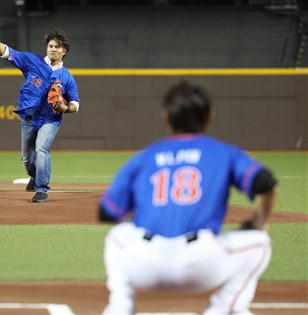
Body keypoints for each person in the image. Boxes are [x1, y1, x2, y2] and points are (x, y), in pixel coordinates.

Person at [98, 81, 278, 315]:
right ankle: (221, 310)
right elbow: (265, 183)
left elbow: (106, 212)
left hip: (144, 263)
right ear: (209, 117)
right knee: (260, 242)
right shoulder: (224, 153)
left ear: (166, 118)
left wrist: (142, 216)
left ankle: (120, 307)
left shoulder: (145, 157)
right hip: (201, 264)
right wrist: (258, 222)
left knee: (115, 238)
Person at [0, 27, 80, 203]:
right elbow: (6, 52)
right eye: (50, 45)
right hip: (29, 117)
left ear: (64, 51)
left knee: (41, 149)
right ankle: (35, 176)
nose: (53, 49)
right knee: (27, 160)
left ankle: (42, 190)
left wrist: (66, 108)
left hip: (50, 119)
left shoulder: (67, 77)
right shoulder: (32, 61)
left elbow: (75, 102)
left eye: (57, 46)